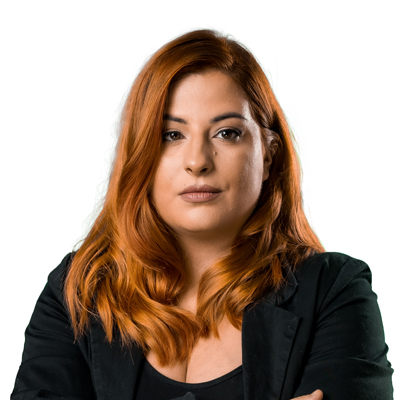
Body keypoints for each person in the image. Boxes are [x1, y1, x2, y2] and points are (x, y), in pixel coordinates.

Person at [11, 29, 393, 400]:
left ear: (268, 154)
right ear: (140, 153)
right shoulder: (76, 292)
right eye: (171, 135)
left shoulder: (334, 291)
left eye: (227, 133)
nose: (197, 161)